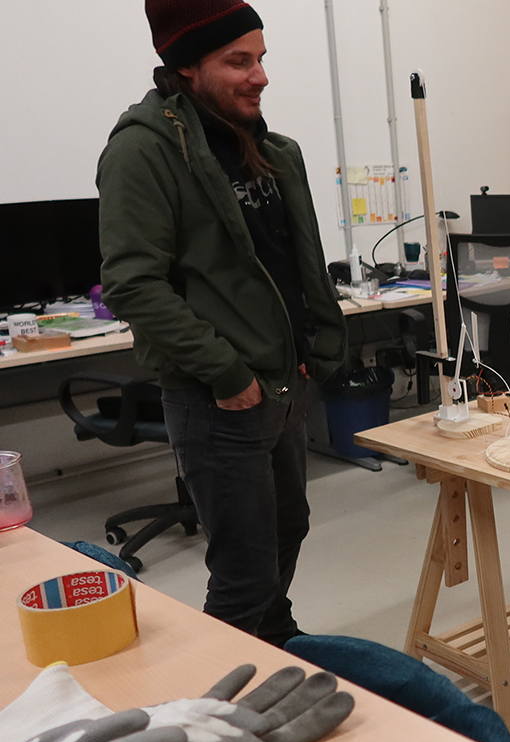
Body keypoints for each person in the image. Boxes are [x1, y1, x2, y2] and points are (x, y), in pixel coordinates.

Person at [98, 0, 347, 647]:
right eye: (239, 61)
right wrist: (228, 374)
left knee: (288, 532)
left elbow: (290, 264)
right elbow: (133, 284)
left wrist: (311, 346)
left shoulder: (264, 148)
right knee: (243, 572)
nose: (260, 75)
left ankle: (276, 642)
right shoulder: (143, 151)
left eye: (260, 58)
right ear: (188, 65)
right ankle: (218, 693)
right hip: (219, 399)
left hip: (283, 384)